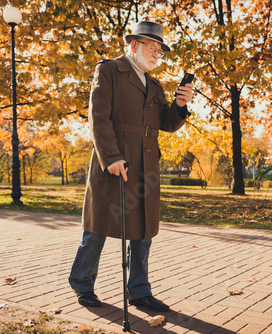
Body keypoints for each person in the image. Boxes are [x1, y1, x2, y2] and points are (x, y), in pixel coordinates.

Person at [68, 21, 193, 312]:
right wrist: (111, 157)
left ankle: (139, 291)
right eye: (153, 48)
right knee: (97, 227)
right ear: (134, 45)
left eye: (160, 51)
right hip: (114, 162)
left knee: (143, 230)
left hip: (145, 165)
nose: (157, 55)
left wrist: (181, 105)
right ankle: (82, 284)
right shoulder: (109, 70)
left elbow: (168, 124)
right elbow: (98, 117)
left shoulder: (155, 84)